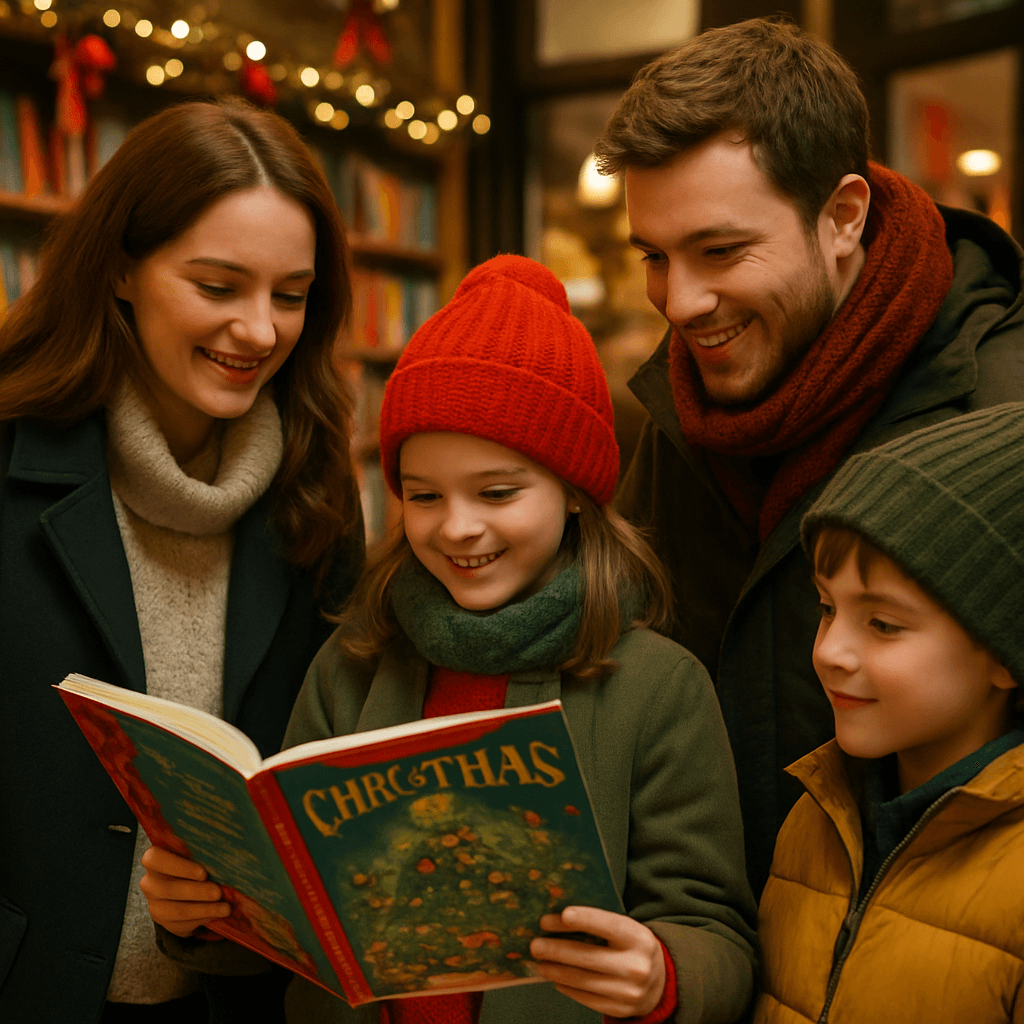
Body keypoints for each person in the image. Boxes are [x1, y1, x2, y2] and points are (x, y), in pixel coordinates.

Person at [140, 254, 759, 1024]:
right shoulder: (352, 665)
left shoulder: (658, 687)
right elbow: (300, 930)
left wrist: (662, 976)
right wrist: (204, 915)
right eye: (424, 496)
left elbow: (717, 936)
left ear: (574, 491)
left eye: (497, 492)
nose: (458, 527)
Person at [593, 15, 1024, 897]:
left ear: (843, 215)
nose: (679, 302)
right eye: (654, 257)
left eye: (720, 251)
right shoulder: (672, 422)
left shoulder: (1003, 412)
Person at [0, 97, 364, 1023]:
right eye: (217, 286)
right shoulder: (10, 462)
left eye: (291, 296)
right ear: (121, 269)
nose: (258, 331)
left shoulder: (318, 496)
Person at [754, 404, 1024, 1022]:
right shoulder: (818, 814)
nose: (829, 652)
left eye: (883, 624)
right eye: (826, 608)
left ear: (1006, 655)